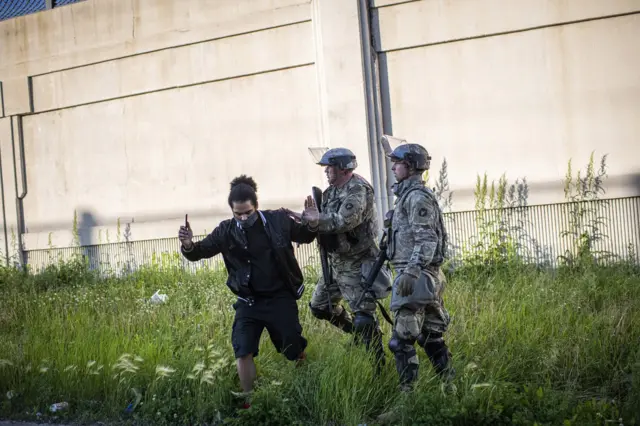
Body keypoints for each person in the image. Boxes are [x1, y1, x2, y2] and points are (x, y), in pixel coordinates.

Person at [178, 175, 317, 408]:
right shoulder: (226, 231)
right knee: (243, 349)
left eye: (248, 213)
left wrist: (312, 223)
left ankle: (303, 383)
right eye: (238, 214)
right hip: (248, 301)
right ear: (231, 211)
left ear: (257, 207)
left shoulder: (277, 220)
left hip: (279, 297)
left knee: (292, 345)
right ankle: (249, 401)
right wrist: (188, 245)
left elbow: (304, 235)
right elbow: (200, 252)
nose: (243, 218)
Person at [298, 147, 391, 368]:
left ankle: (378, 365)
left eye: (329, 167)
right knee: (320, 307)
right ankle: (356, 335)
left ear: (342, 168)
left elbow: (344, 221)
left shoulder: (358, 189)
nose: (326, 171)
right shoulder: (331, 191)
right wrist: (306, 223)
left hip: (357, 263)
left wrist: (316, 220)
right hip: (336, 263)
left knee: (364, 316)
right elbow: (322, 219)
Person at [384, 142, 455, 392]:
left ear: (411, 166)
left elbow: (427, 238)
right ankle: (451, 390)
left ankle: (408, 400)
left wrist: (412, 270)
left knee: (401, 341)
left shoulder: (415, 197)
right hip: (424, 274)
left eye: (398, 163)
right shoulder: (407, 196)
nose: (393, 167)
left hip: (415, 276)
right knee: (431, 336)